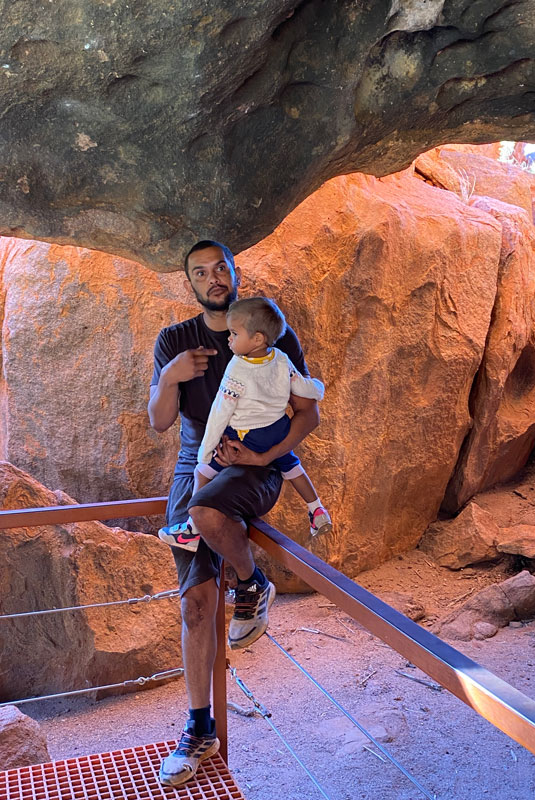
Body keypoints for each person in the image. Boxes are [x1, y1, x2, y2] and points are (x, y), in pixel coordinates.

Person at [148, 240, 323, 787]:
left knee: (208, 514)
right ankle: (199, 728)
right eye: (200, 272)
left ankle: (251, 583)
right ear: (190, 284)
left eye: (220, 267)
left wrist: (264, 456)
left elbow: (307, 413)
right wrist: (170, 378)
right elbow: (159, 420)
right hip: (195, 462)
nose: (213, 278)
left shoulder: (271, 329)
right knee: (196, 604)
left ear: (234, 271)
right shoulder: (175, 340)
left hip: (255, 461)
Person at [158, 296, 332, 554]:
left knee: (203, 471)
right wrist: (319, 387)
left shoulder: (237, 368)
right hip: (277, 429)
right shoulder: (281, 358)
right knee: (292, 466)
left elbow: (220, 411)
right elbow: (304, 386)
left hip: (247, 435)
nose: (229, 339)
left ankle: (191, 529)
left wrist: (205, 451)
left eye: (234, 333)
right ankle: (317, 510)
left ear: (258, 339)